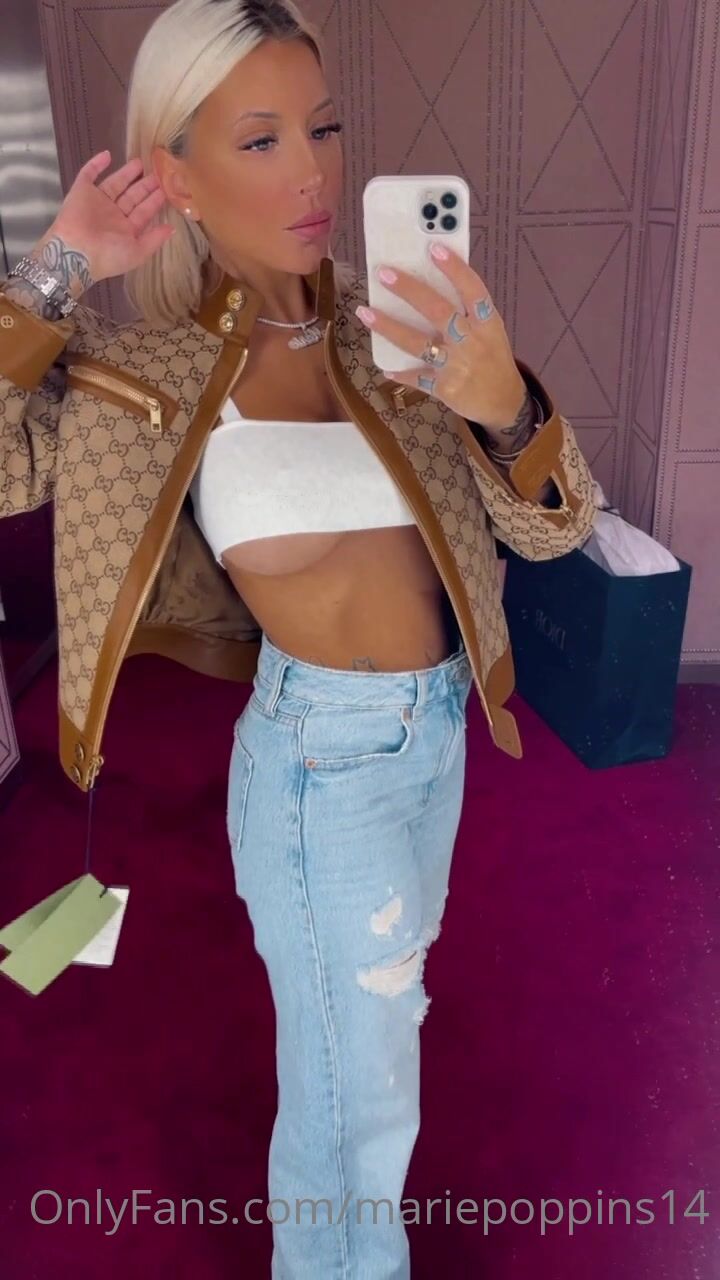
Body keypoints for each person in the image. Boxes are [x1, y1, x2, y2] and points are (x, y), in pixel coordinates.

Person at [0, 0, 598, 1273]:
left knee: (371, 1064)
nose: (314, 172)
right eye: (261, 139)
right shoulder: (145, 367)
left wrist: (501, 402)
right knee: (354, 1116)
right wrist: (57, 267)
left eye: (320, 129)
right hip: (322, 765)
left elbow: (554, 531)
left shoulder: (404, 335)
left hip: (437, 735)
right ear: (177, 176)